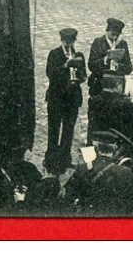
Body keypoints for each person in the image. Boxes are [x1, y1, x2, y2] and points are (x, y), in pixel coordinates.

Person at [63, 131, 133, 217]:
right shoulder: (126, 172)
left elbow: (67, 198)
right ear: (115, 148)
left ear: (96, 148)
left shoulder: (83, 169)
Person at [44, 28, 86, 175]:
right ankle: (51, 161)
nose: (68, 44)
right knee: (54, 130)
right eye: (66, 42)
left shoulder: (79, 55)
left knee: (68, 130)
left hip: (72, 98)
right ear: (61, 40)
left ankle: (64, 160)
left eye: (71, 42)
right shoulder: (54, 54)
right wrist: (65, 67)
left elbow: (83, 76)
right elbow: (50, 73)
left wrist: (78, 75)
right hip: (57, 98)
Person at [87, 17, 133, 142]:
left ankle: (110, 141)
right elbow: (91, 65)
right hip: (99, 85)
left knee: (113, 115)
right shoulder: (98, 42)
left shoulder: (122, 44)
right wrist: (105, 60)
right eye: (112, 34)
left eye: (116, 35)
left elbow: (129, 67)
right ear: (107, 31)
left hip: (115, 86)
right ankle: (92, 142)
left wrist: (119, 66)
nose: (114, 37)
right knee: (95, 115)